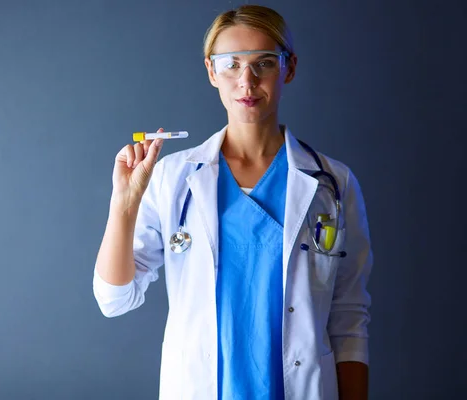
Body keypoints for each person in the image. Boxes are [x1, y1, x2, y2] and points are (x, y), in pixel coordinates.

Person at [93, 4, 372, 400]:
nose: (246, 81)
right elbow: (114, 299)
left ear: (288, 68)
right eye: (231, 64)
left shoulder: (333, 183)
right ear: (211, 71)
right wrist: (124, 203)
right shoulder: (173, 178)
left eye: (264, 63)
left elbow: (349, 318)